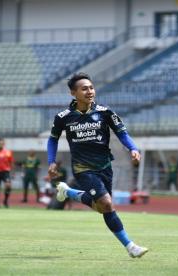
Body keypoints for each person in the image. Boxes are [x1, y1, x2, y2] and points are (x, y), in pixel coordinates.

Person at [47, 72, 149, 258]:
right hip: (82, 168)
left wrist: (133, 149)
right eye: (84, 88)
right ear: (73, 93)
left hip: (104, 166)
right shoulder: (63, 117)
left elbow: (122, 133)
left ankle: (68, 192)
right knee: (107, 204)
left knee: (101, 207)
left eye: (91, 87)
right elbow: (52, 140)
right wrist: (51, 161)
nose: (89, 91)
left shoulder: (105, 112)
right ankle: (131, 246)